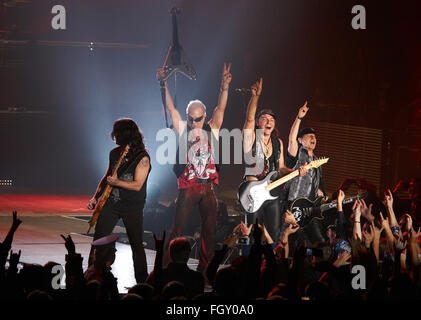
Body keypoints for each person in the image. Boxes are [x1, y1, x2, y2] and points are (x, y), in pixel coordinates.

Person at [157, 63, 232, 275]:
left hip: (208, 189)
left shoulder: (212, 128)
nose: (193, 122)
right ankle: (165, 268)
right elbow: (171, 109)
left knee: (209, 231)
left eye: (197, 119)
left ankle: (204, 271)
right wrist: (163, 84)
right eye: (190, 118)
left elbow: (222, 108)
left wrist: (224, 86)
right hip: (188, 188)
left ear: (204, 116)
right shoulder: (184, 129)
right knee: (177, 231)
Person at [242, 77, 307, 245]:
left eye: (271, 120)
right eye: (264, 119)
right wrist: (255, 97)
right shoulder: (250, 138)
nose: (268, 122)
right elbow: (248, 119)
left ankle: (270, 264)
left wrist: (295, 172)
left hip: (272, 194)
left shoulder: (278, 143)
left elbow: (281, 168)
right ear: (258, 122)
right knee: (253, 234)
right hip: (253, 193)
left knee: (274, 234)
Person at [87, 118, 151, 283]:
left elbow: (137, 185)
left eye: (116, 132)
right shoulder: (114, 153)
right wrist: (96, 197)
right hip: (112, 203)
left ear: (125, 134)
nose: (113, 135)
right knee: (98, 240)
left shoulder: (142, 157)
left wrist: (117, 182)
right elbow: (107, 176)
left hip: (132, 206)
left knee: (136, 244)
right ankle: (91, 276)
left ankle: (142, 282)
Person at [283, 102, 326, 245]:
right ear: (301, 140)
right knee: (290, 241)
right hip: (292, 206)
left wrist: (322, 194)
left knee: (318, 242)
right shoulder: (297, 154)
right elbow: (291, 139)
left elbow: (320, 187)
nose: (313, 138)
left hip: (310, 210)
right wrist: (299, 117)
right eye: (308, 136)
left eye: (314, 136)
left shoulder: (317, 162)